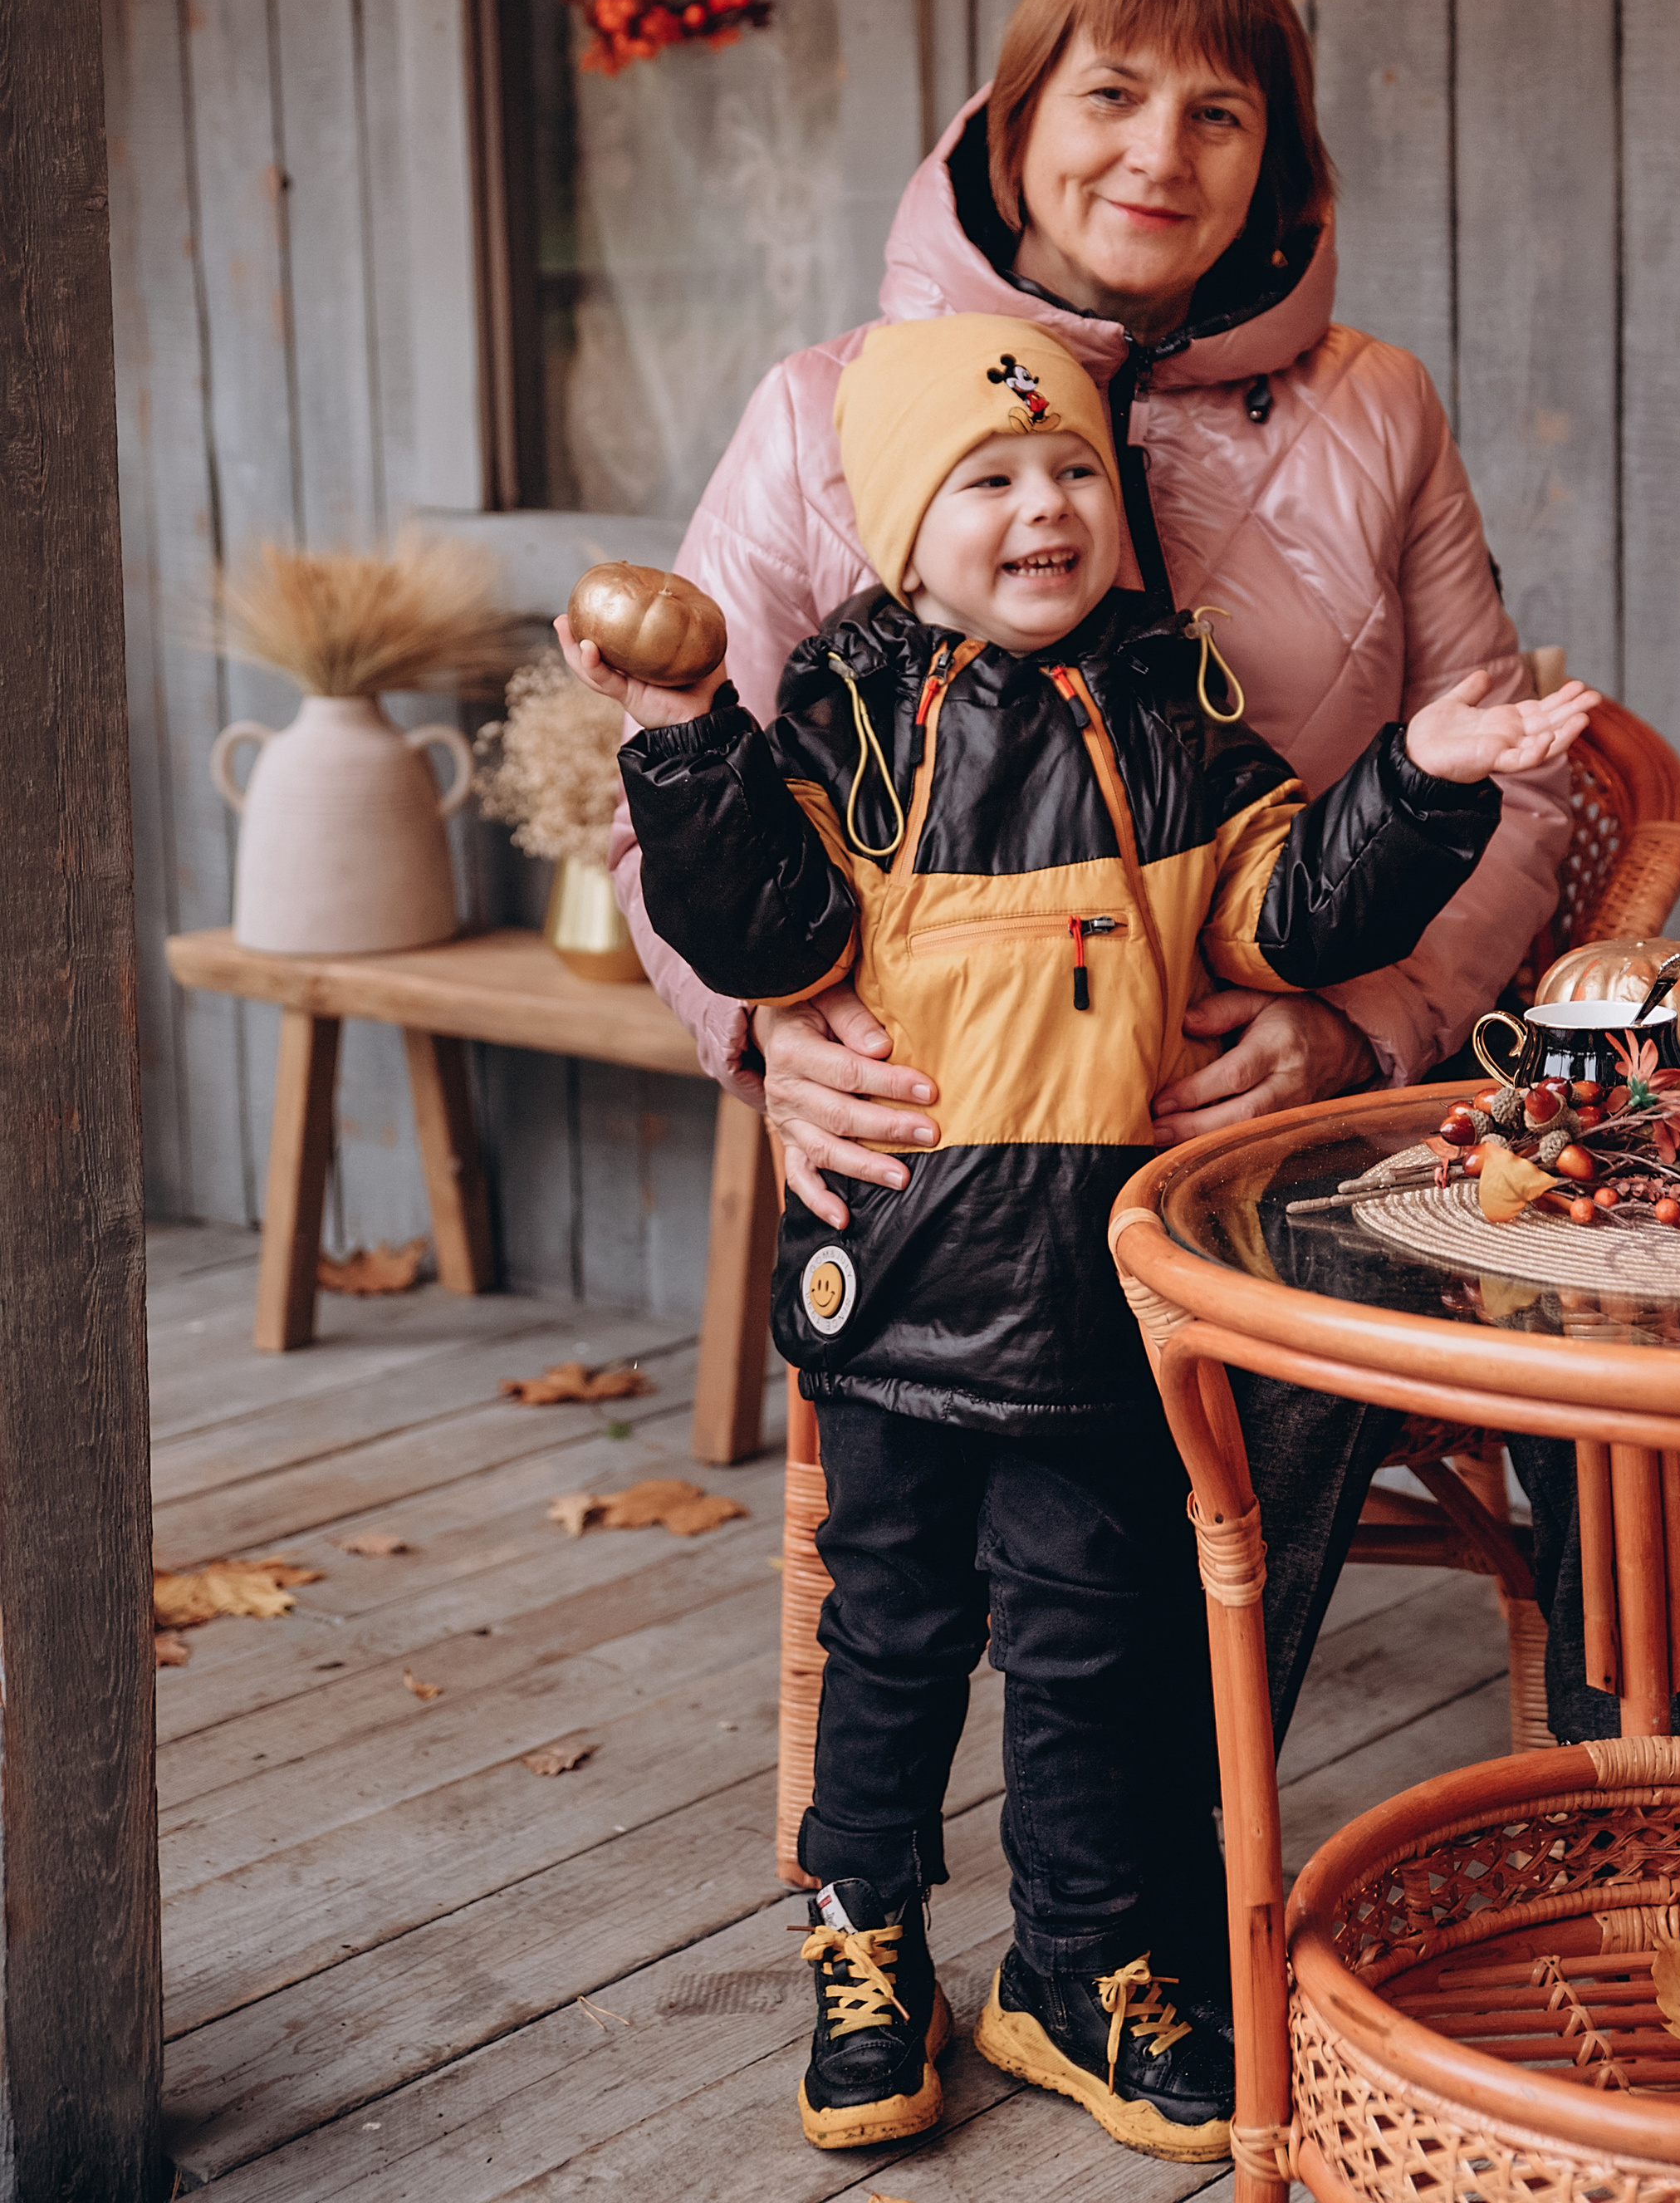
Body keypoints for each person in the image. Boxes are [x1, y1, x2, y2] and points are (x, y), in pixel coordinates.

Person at [565, 312, 1590, 2160]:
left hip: (1097, 1297)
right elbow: (769, 938)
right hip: (898, 1287)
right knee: (884, 1635)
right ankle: (863, 1932)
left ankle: (1076, 1968)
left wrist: (1420, 776)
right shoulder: (849, 716)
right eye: (987, 479)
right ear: (895, 528)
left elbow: (1284, 913)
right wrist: (680, 741)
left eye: (1069, 475)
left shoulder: (1173, 711)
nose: (1042, 506)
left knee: (1084, 1648)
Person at [610, 0, 1578, 1723]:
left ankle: (1584, 1827)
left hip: (1284, 1104)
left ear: (1273, 165)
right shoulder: (827, 410)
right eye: (1111, 95)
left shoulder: (1373, 406)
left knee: (1500, 1300)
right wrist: (759, 1028)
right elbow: (670, 791)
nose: (1159, 152)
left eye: (1220, 115)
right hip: (963, 1135)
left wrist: (1351, 1026)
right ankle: (1076, 1904)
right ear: (1009, 121)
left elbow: (1509, 770)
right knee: (1152, 1397)